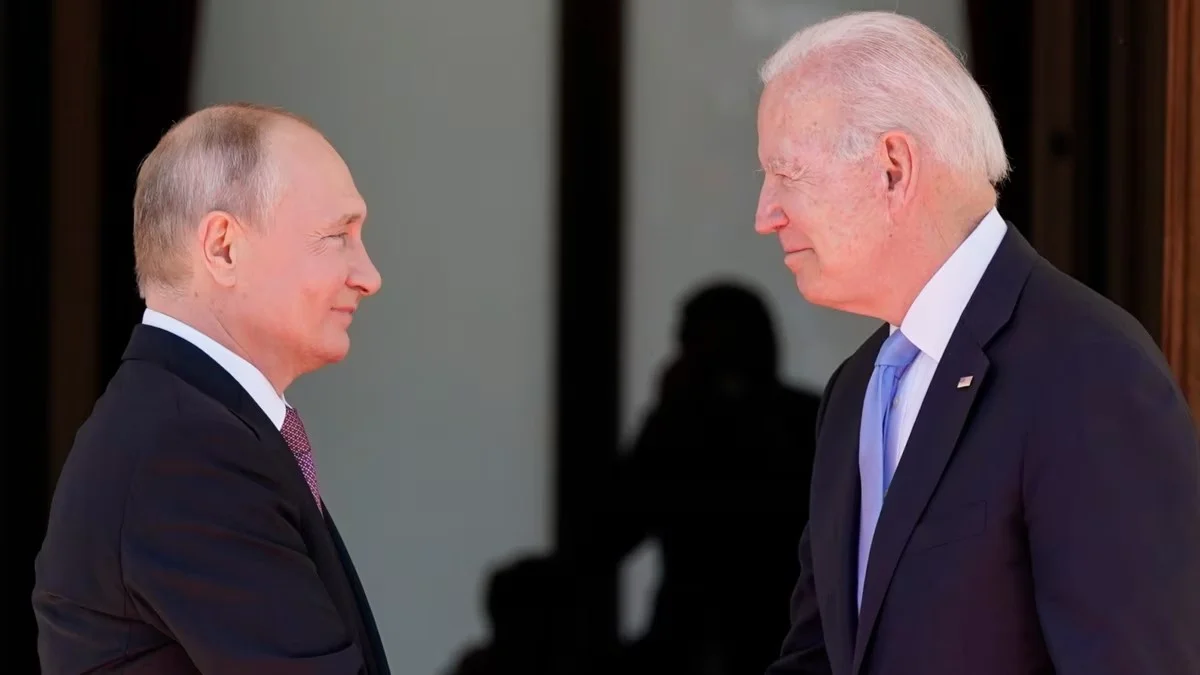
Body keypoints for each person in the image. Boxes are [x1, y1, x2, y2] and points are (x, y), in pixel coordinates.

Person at [753, 11, 1200, 675]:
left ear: (893, 168)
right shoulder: (856, 389)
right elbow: (820, 656)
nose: (766, 215)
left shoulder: (1088, 372)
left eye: (787, 173)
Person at [32, 103, 389, 674]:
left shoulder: (184, 424)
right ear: (224, 247)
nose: (369, 277)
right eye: (337, 235)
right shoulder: (186, 448)